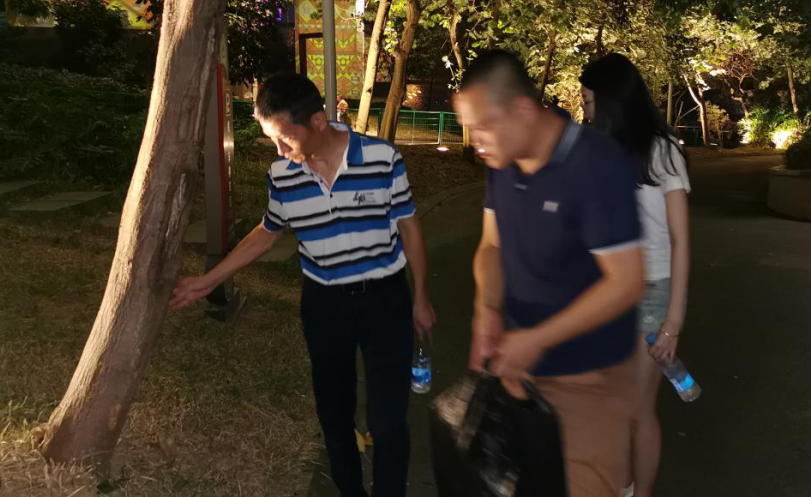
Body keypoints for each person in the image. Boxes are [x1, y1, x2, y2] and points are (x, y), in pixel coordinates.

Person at [170, 72, 435, 497]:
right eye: (271, 140)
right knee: (334, 414)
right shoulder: (283, 174)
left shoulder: (382, 158)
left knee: (387, 421)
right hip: (324, 306)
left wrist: (420, 295)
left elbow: (409, 226)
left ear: (317, 121)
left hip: (386, 301)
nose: (279, 151)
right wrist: (209, 280)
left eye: (285, 138)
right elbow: (267, 231)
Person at [453, 50, 646, 497]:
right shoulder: (503, 163)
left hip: (590, 377)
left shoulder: (596, 165)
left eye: (483, 127)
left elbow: (626, 282)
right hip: (521, 372)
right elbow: (492, 245)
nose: (475, 140)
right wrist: (487, 309)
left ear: (522, 110)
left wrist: (537, 339)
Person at [580, 53, 691, 497]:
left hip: (650, 292)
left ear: (611, 101)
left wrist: (673, 323)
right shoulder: (594, 152)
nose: (585, 110)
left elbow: (681, 239)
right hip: (603, 290)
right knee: (607, 405)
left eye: (589, 101)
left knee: (636, 408)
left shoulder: (662, 152)